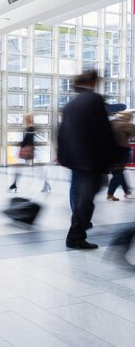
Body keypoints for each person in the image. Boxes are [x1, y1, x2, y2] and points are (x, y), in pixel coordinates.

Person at [57, 70, 117, 249]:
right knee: (86, 198)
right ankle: (76, 236)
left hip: (75, 159)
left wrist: (62, 155)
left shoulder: (70, 105)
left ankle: (80, 227)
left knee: (83, 195)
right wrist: (112, 157)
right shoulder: (95, 99)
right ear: (94, 82)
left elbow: (62, 132)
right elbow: (103, 131)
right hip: (90, 159)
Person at [107, 111, 135, 201]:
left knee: (118, 172)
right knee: (118, 173)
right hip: (121, 151)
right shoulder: (126, 125)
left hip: (110, 151)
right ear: (128, 118)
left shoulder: (112, 123)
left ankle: (127, 192)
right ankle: (110, 194)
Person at [9, 114, 35, 192]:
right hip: (27, 150)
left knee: (19, 167)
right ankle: (14, 184)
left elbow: (28, 140)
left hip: (27, 150)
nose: (24, 120)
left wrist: (21, 144)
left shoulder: (31, 128)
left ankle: (14, 184)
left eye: (26, 118)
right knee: (19, 167)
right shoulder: (29, 128)